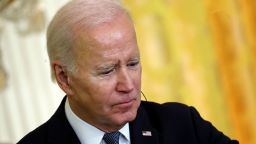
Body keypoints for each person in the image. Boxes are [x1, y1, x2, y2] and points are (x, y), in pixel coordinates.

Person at [18, 0, 239, 143]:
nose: (128, 85)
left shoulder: (183, 125)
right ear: (64, 77)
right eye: (107, 71)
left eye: (133, 64)